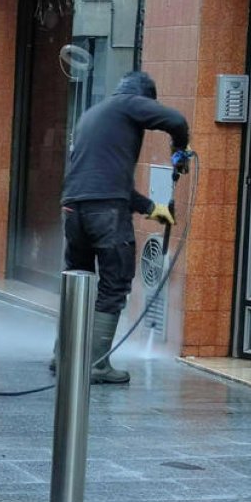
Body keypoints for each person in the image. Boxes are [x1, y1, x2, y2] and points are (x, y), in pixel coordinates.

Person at [56, 71, 190, 384]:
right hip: (105, 212)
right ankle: (96, 364)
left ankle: (62, 354)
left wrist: (151, 209)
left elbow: (107, 181)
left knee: (79, 281)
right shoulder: (130, 104)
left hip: (74, 208)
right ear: (143, 98)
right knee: (114, 284)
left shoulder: (94, 115)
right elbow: (177, 120)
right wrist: (179, 150)